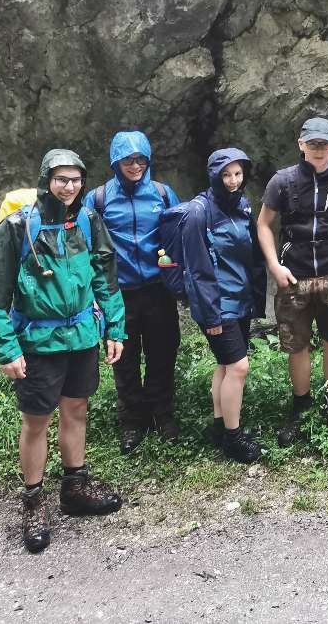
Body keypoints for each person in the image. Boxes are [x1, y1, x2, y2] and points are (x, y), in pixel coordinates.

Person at [0, 149, 127, 553]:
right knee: (36, 421)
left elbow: (105, 277)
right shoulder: (17, 228)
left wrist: (115, 326)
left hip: (80, 336)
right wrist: (8, 349)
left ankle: (74, 487)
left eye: (76, 179)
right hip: (38, 342)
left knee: (76, 408)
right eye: (61, 179)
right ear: (46, 180)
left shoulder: (88, 221)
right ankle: (33, 501)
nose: (70, 186)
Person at [257, 117, 328, 445]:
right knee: (296, 345)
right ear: (301, 144)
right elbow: (263, 224)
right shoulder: (282, 181)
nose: (319, 150)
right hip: (294, 275)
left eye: (325, 144)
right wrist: (275, 265)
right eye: (313, 144)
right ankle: (301, 404)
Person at [90, 130, 182, 454]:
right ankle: (132, 420)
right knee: (124, 358)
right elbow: (85, 244)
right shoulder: (99, 199)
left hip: (158, 289)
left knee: (162, 352)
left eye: (141, 159)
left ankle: (162, 413)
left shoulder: (162, 193)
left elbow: (180, 232)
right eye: (128, 159)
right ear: (116, 161)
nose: (135, 165)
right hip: (119, 293)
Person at [180, 148, 267, 463]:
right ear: (214, 175)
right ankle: (233, 437)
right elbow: (197, 268)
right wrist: (211, 313)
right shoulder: (198, 212)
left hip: (239, 299)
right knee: (239, 367)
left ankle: (220, 426)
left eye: (238, 174)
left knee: (225, 364)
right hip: (216, 304)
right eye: (226, 174)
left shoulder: (241, 206)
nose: (233, 181)